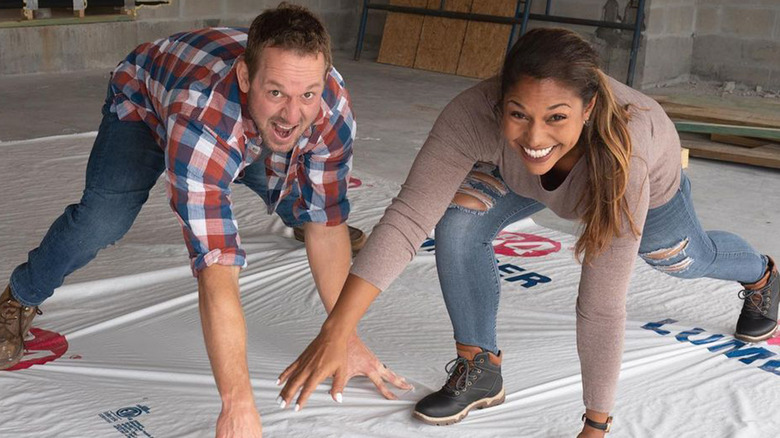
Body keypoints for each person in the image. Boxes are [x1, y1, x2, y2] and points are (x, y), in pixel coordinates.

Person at [275, 28, 778, 436]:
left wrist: (595, 426)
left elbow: (600, 305)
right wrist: (336, 330)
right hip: (517, 178)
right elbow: (409, 218)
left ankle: (762, 276)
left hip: (638, 183)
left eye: (556, 118)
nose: (535, 137)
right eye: (518, 115)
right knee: (457, 224)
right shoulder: (472, 115)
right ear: (499, 105)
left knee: (681, 259)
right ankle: (480, 367)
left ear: (588, 109)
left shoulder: (630, 146)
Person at [0, 3, 410, 437]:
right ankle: (19, 295)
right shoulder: (202, 121)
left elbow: (327, 223)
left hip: (238, 121)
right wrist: (238, 404)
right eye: (276, 93)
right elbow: (217, 270)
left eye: (306, 94)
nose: (293, 112)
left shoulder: (330, 104)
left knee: (309, 203)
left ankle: (293, 210)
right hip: (147, 102)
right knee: (103, 220)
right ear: (246, 77)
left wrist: (344, 335)